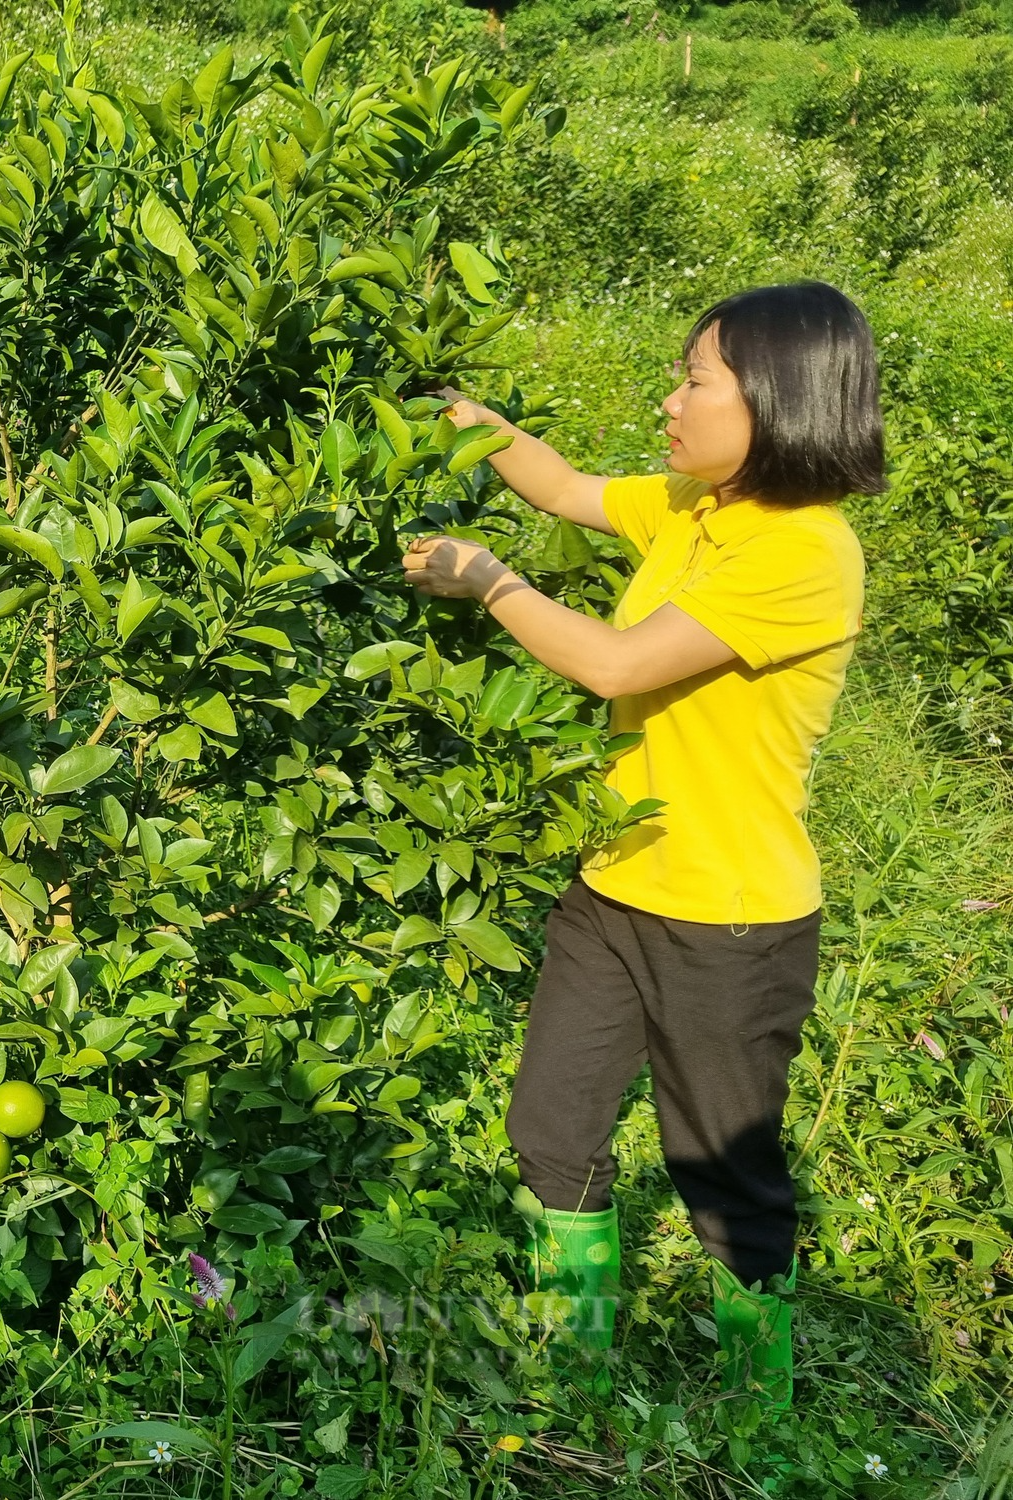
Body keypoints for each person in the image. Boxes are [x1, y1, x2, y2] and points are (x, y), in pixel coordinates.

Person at [402, 281, 880, 1407]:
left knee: (720, 1173)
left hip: (729, 919)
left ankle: (756, 1413)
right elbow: (563, 486)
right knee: (547, 1129)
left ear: (774, 397)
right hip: (615, 887)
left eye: (694, 380)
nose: (668, 401)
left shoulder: (802, 553)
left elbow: (615, 665)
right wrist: (452, 414)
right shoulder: (694, 505)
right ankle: (571, 1378)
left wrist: (486, 580)